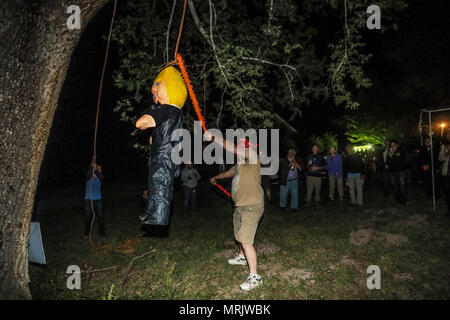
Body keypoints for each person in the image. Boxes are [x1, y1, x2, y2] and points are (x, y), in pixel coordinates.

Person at [206, 133, 264, 292]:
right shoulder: (239, 164)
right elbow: (228, 174)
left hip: (252, 205)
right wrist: (216, 178)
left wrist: (214, 138)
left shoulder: (252, 157)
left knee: (246, 241)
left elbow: (233, 148)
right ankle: (242, 256)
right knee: (239, 235)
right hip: (240, 206)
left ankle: (255, 277)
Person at [135, 66, 187, 237]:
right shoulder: (178, 114)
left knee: (160, 183)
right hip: (168, 154)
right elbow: (166, 131)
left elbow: (152, 119)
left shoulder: (166, 109)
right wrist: (153, 138)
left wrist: (145, 119)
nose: (154, 95)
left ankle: (158, 216)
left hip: (164, 154)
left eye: (156, 88)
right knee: (155, 185)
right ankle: (150, 211)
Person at [84, 161, 105, 237]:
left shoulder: (100, 178)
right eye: (96, 169)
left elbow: (101, 177)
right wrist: (91, 166)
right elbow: (89, 173)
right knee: (87, 218)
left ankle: (102, 233)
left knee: (101, 217)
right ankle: (87, 233)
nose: (99, 170)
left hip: (98, 200)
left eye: (99, 169)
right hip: (88, 200)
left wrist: (96, 172)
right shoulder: (88, 178)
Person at [386, 140, 408, 205]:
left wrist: (393, 155)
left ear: (397, 145)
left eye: (394, 145)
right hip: (392, 172)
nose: (393, 146)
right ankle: (398, 199)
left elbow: (402, 162)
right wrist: (390, 156)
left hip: (401, 171)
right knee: (395, 186)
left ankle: (404, 200)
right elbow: (387, 163)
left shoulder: (401, 151)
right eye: (391, 145)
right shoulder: (389, 153)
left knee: (402, 185)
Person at [438, 144, 450, 216]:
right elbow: (440, 158)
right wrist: (445, 153)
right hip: (446, 174)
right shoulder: (444, 146)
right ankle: (449, 210)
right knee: (447, 193)